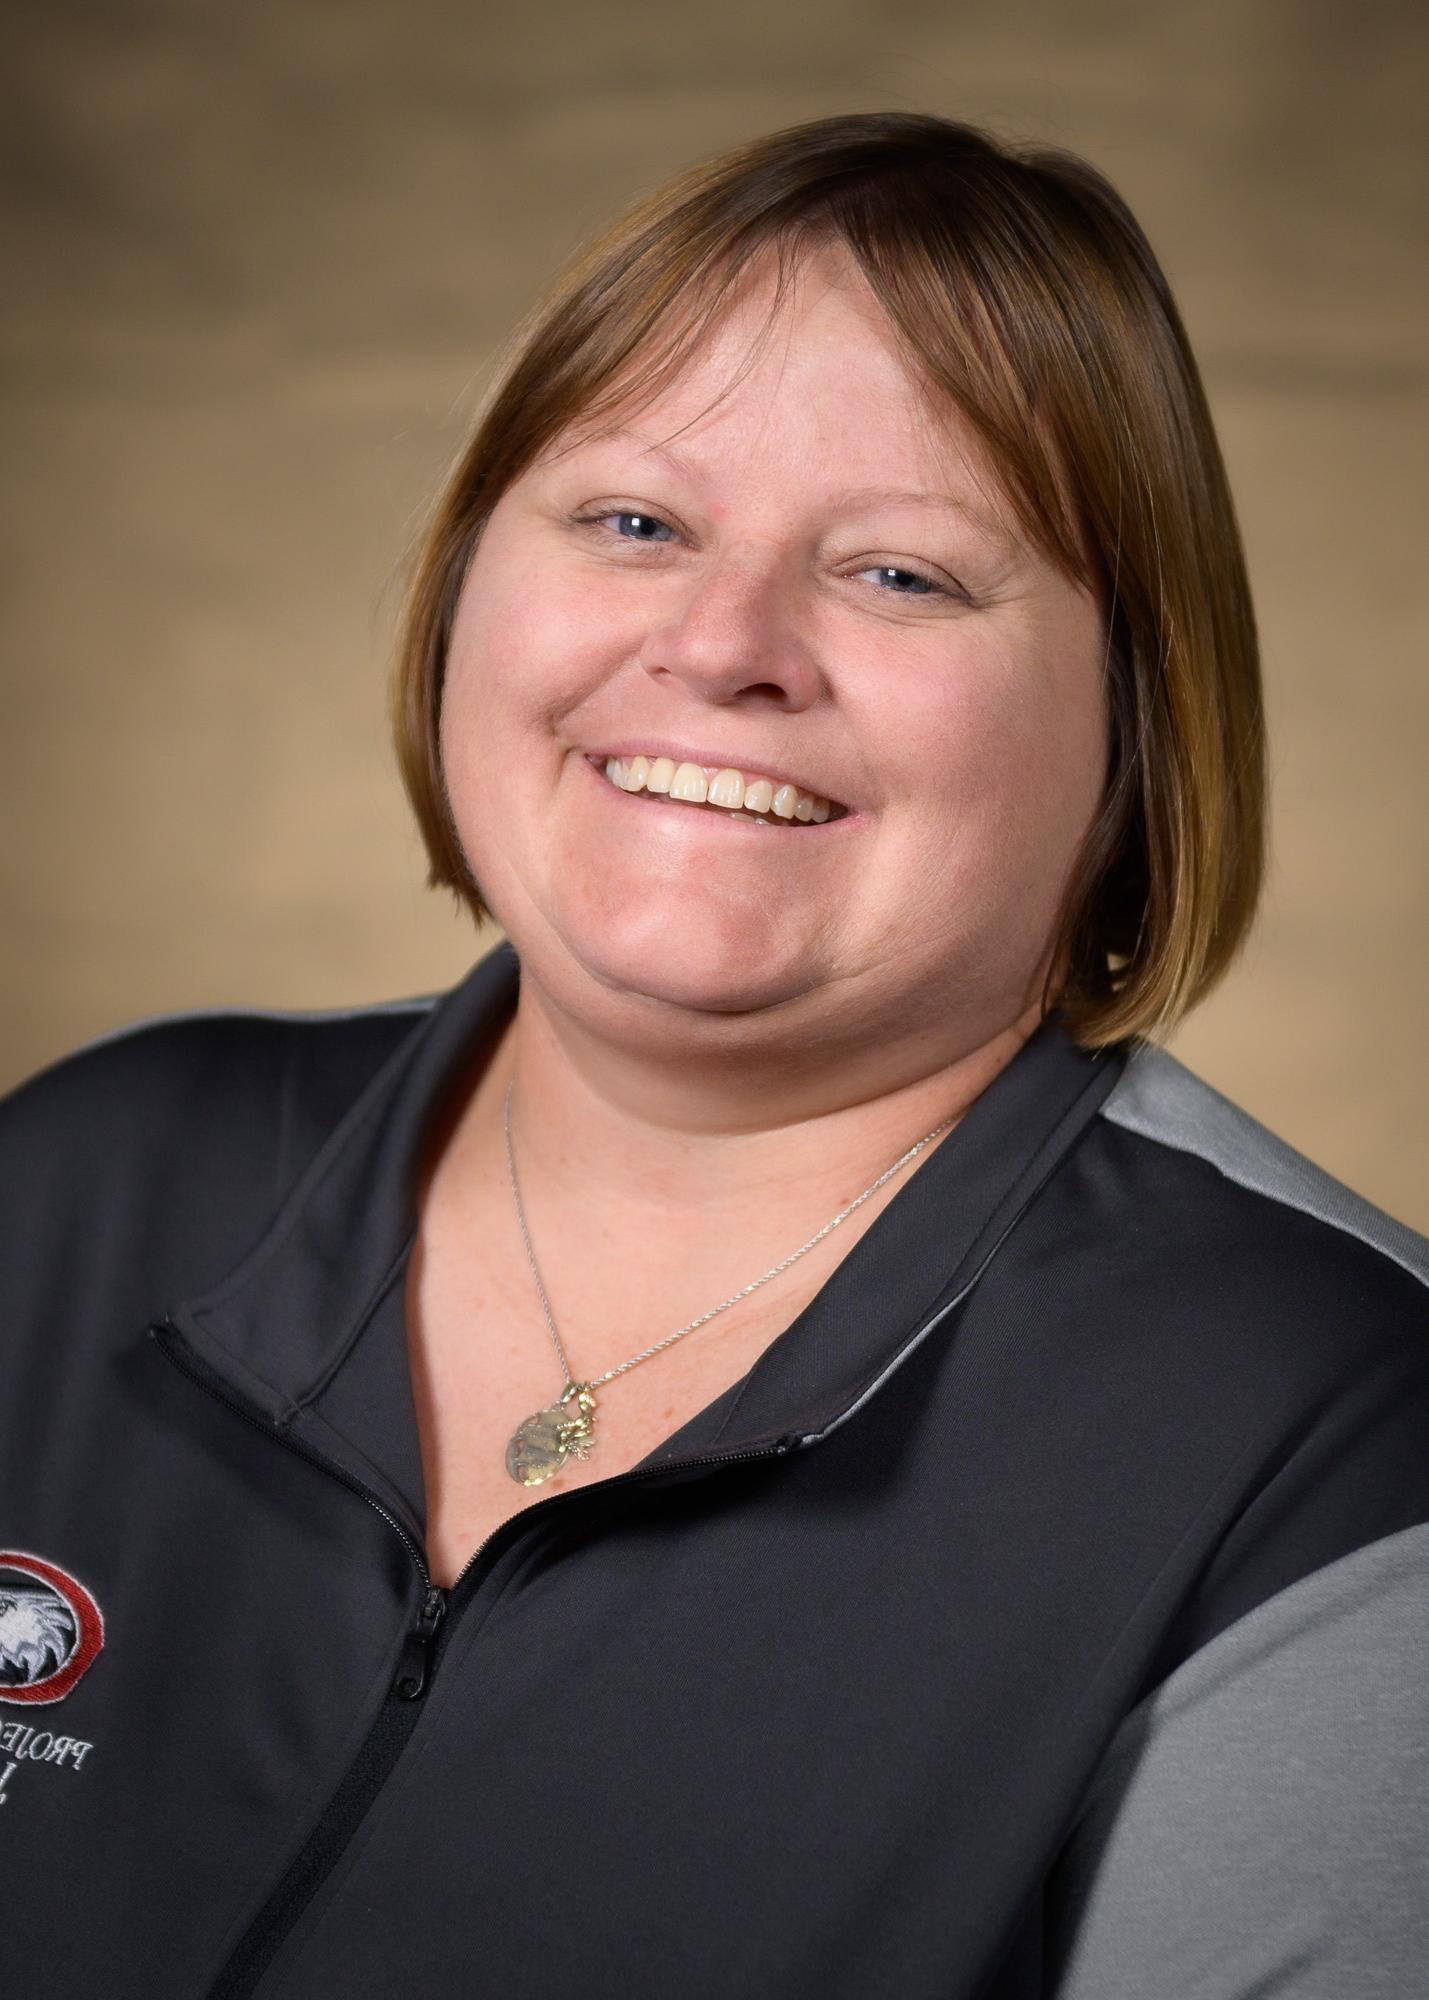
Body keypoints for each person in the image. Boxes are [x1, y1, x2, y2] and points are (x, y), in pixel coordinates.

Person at [2, 111, 1426, 2000]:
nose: (726, 645)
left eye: (904, 574)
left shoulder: (1334, 1446)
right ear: (463, 589)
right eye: (635, 522)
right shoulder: (81, 1181)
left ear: (1131, 728)